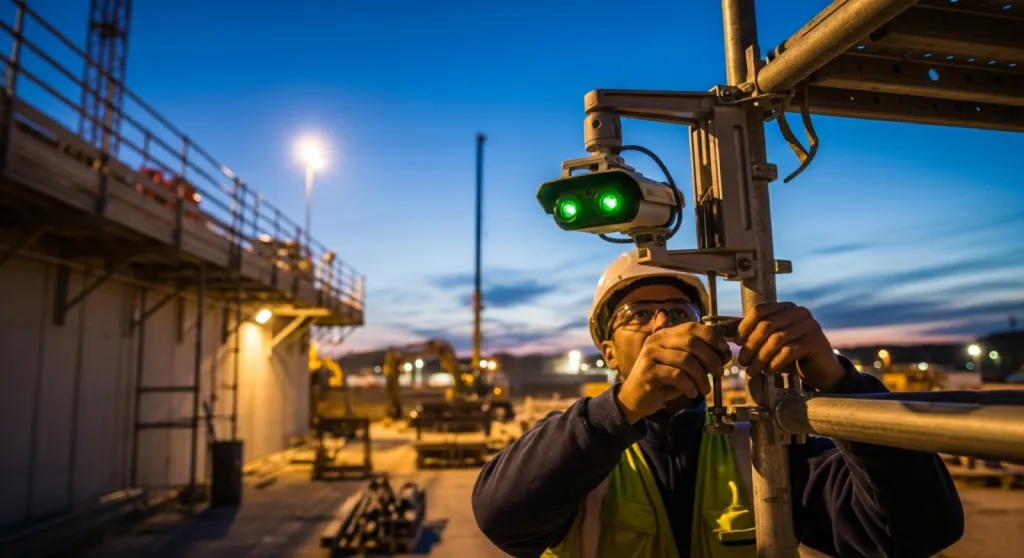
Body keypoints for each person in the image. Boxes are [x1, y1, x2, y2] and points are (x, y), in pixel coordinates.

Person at [472, 252, 964, 558]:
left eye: (679, 311)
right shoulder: (574, 449)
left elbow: (917, 532)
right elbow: (503, 520)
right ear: (608, 351)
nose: (663, 324)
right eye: (638, 314)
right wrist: (621, 407)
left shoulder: (764, 447)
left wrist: (837, 382)